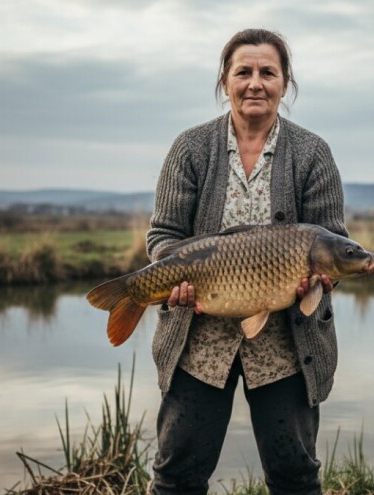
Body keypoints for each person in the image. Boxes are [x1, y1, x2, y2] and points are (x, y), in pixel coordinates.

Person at [146, 28, 347, 495]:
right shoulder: (190, 148)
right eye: (244, 72)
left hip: (286, 350)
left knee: (295, 478)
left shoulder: (313, 153)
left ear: (285, 83)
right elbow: (163, 237)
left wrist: (320, 282)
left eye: (268, 72)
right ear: (225, 81)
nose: (255, 82)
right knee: (176, 478)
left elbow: (334, 241)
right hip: (200, 345)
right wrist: (171, 277)